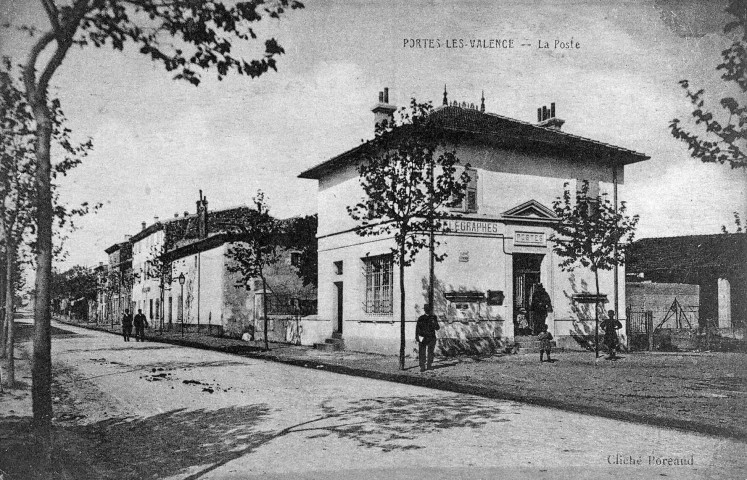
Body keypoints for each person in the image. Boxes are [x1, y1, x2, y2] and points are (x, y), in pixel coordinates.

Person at [415, 304, 440, 372]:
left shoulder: (434, 317)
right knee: (422, 352)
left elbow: (437, 328)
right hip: (423, 337)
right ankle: (422, 366)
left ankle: (429, 366)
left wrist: (434, 322)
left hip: (431, 337)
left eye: (428, 309)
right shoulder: (421, 318)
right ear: (425, 310)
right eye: (426, 309)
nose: (427, 310)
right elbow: (417, 329)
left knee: (430, 352)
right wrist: (418, 338)